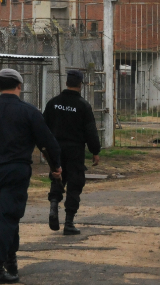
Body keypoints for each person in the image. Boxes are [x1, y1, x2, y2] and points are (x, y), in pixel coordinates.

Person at [0, 68, 63, 284]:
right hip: (17, 170)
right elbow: (46, 142)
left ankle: (11, 261)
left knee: (7, 214)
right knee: (8, 216)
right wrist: (55, 166)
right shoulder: (29, 111)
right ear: (20, 86)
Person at [43, 69, 102, 235]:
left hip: (55, 150)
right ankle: (69, 223)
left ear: (67, 83)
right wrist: (95, 151)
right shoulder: (83, 105)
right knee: (75, 184)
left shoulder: (53, 103)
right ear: (80, 85)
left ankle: (54, 206)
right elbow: (91, 131)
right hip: (75, 150)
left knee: (57, 178)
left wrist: (44, 149)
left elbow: (43, 126)